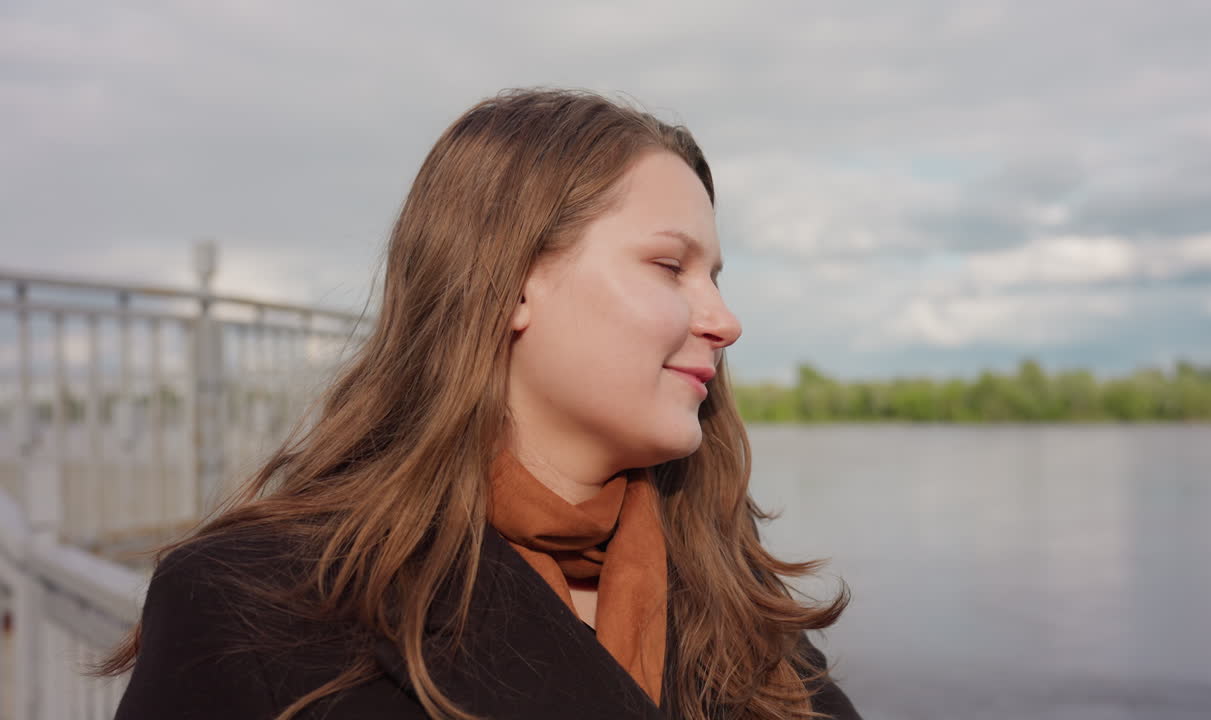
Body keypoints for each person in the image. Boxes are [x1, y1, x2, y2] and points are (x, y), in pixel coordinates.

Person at [100, 87, 862, 720]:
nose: (724, 321)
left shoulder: (734, 596)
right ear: (513, 283)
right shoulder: (254, 604)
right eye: (671, 266)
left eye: (717, 277)